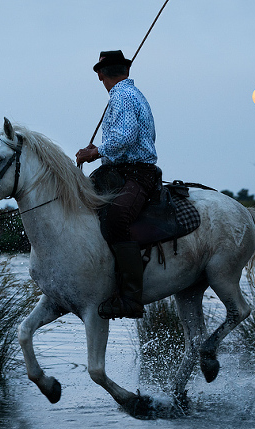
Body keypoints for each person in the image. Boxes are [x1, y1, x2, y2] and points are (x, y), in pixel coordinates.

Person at [76, 50, 159, 320]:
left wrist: (95, 152)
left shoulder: (122, 96)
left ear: (101, 74)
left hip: (136, 174)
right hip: (121, 170)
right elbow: (123, 141)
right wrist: (100, 152)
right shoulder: (129, 95)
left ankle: (130, 298)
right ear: (125, 71)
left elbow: (125, 137)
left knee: (116, 217)